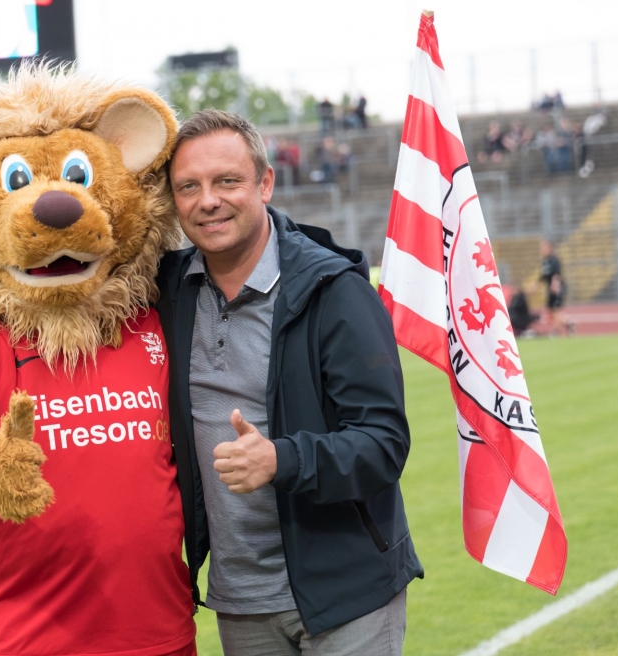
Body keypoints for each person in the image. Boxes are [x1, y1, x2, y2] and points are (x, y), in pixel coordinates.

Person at [156, 109, 422, 655]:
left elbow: (384, 443)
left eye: (227, 181)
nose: (208, 200)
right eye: (189, 187)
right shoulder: (167, 292)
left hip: (347, 593)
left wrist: (281, 459)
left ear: (265, 184)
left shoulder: (335, 290)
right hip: (240, 600)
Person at [539, 239, 570, 335]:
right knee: (552, 310)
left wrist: (554, 286)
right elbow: (543, 276)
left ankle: (556, 330)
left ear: (549, 247)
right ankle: (568, 323)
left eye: (543, 247)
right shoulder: (545, 261)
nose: (541, 249)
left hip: (557, 288)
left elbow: (556, 274)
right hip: (550, 289)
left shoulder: (554, 260)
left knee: (556, 310)